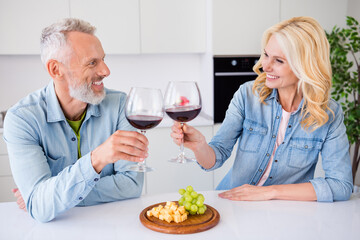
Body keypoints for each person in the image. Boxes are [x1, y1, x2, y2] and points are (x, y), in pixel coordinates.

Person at [171, 16, 353, 202]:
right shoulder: (247, 95)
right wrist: (200, 146)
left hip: (286, 215)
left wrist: (271, 192)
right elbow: (215, 157)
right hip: (234, 205)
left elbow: (341, 185)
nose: (265, 66)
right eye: (266, 55)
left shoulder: (328, 114)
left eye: (279, 61)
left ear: (304, 67)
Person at [3, 18, 148, 222]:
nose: (106, 71)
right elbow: (39, 206)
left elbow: (131, 185)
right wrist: (96, 159)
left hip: (113, 224)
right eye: (92, 62)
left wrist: (52, 195)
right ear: (56, 70)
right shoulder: (22, 119)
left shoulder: (121, 106)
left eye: (103, 59)